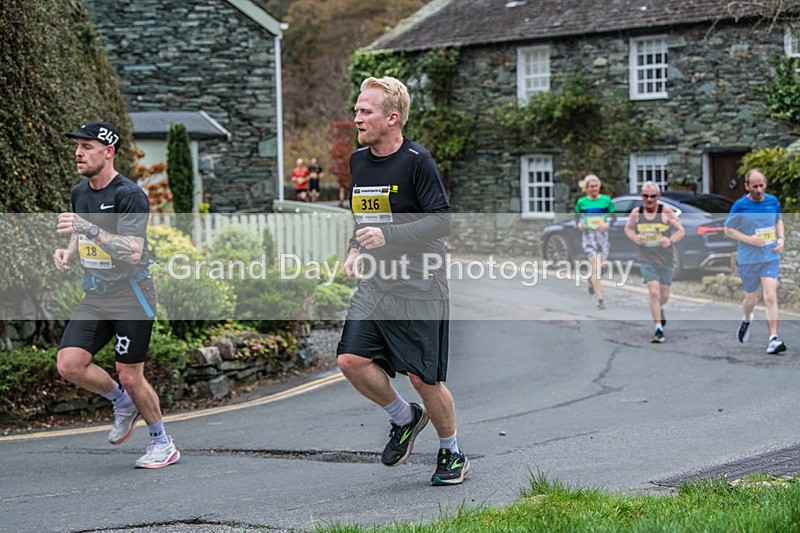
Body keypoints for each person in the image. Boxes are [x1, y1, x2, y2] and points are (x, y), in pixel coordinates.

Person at [336, 76, 470, 486]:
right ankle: (404, 417)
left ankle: (452, 454)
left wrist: (389, 235)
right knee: (351, 360)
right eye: (357, 110)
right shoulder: (360, 161)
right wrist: (356, 248)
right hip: (376, 283)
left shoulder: (417, 161)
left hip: (419, 284)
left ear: (392, 118)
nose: (357, 117)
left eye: (366, 111)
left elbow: (441, 220)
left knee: (422, 377)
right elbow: (364, 214)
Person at [54, 121, 180, 469]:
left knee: (130, 373)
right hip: (96, 294)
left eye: (87, 147)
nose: (79, 153)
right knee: (69, 364)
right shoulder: (80, 192)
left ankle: (162, 442)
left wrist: (88, 229)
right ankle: (121, 402)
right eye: (77, 146)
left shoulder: (129, 195)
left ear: (108, 152)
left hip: (131, 295)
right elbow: (79, 234)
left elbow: (132, 250)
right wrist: (69, 251)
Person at [724, 168, 787, 354]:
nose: (759, 190)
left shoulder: (772, 201)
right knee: (751, 298)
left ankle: (773, 339)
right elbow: (728, 229)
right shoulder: (740, 205)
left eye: (762, 185)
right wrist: (749, 239)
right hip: (748, 259)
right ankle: (746, 318)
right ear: (747, 186)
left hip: (769, 257)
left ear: (765, 183)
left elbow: (778, 221)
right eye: (755, 186)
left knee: (770, 295)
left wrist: (781, 238)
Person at [624, 181, 685, 343]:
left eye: (652, 196)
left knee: (664, 295)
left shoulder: (666, 212)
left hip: (665, 258)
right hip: (646, 257)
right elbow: (628, 228)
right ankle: (658, 329)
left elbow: (680, 230)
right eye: (646, 196)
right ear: (641, 196)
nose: (649, 199)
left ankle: (659, 308)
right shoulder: (637, 213)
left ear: (658, 196)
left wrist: (670, 241)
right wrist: (636, 238)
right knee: (653, 291)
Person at [574, 174, 616, 310]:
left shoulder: (606, 200)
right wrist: (579, 224)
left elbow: (614, 217)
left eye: (596, 186)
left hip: (602, 237)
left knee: (601, 268)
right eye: (591, 187)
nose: (594, 189)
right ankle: (600, 299)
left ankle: (592, 282)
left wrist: (607, 224)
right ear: (586, 188)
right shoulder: (581, 202)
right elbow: (577, 218)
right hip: (589, 237)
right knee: (596, 268)